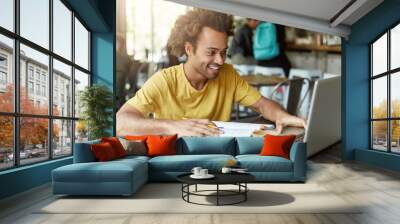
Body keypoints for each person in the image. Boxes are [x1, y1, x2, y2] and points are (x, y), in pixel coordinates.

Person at [117, 9, 306, 137]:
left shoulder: (228, 74)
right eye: (211, 52)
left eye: (224, 52)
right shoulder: (164, 81)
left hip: (219, 161)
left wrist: (281, 115)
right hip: (172, 161)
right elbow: (121, 122)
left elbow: (262, 105)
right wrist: (171, 126)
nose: (220, 61)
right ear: (189, 49)